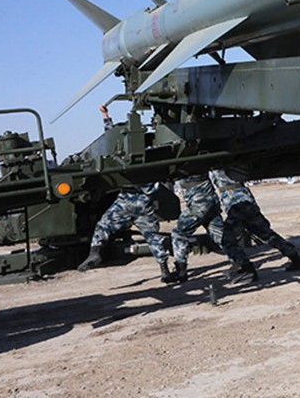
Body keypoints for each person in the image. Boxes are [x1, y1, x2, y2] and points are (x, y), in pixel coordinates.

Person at [77, 104, 173, 280]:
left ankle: (95, 253)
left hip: (126, 200)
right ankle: (164, 270)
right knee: (153, 237)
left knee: (103, 226)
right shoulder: (152, 152)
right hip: (144, 202)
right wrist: (106, 115)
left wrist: (105, 116)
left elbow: (109, 134)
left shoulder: (121, 154)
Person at [209, 168, 300, 283]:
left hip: (238, 203)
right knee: (266, 234)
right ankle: (296, 259)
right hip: (244, 201)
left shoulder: (222, 165)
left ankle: (248, 270)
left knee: (227, 240)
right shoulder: (226, 166)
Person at [163, 173, 224, 284]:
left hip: (198, 203)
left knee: (179, 233)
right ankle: (244, 265)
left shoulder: (184, 168)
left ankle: (181, 270)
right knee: (220, 235)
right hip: (210, 200)